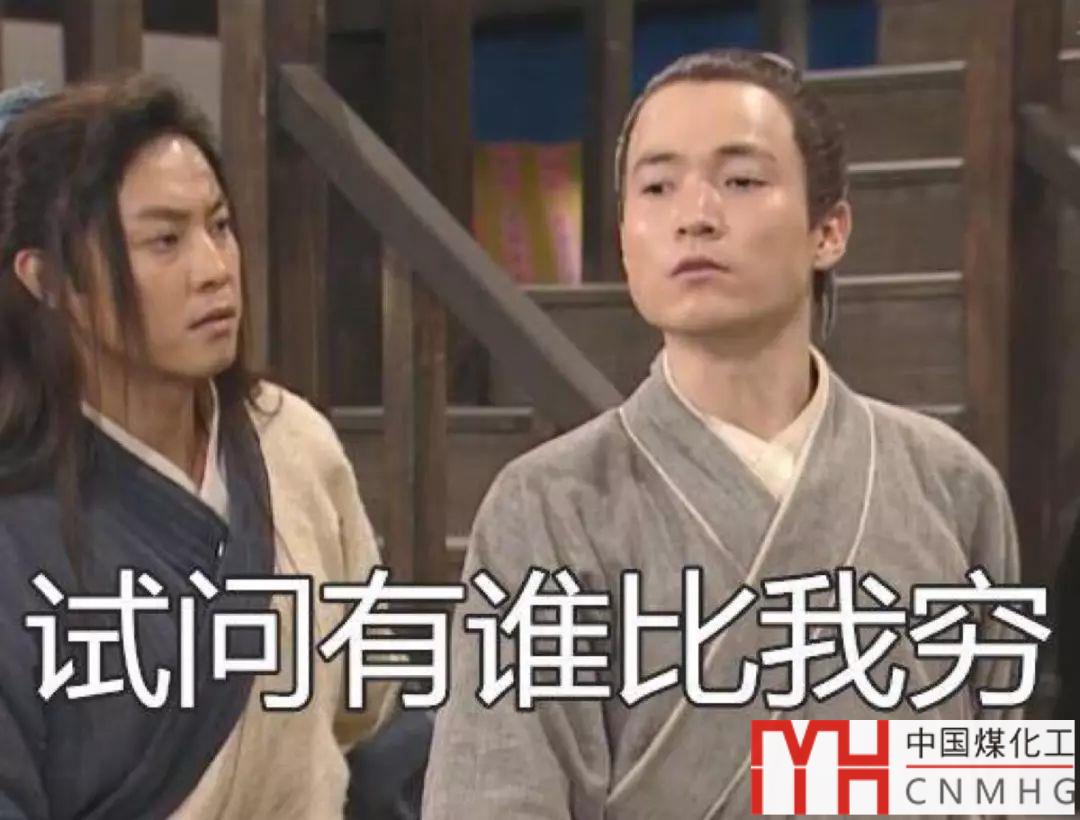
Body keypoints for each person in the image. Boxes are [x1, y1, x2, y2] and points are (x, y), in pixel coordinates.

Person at [423, 49, 1023, 819]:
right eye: (657, 187)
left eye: (740, 181)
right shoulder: (549, 505)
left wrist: (809, 775)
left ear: (829, 230)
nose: (695, 214)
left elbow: (996, 775)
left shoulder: (950, 484)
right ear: (626, 236)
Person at [0, 75, 395, 818]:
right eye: (165, 240)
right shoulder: (17, 525)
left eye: (219, 226)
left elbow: (366, 701)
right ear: (49, 280)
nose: (214, 269)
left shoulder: (291, 444)